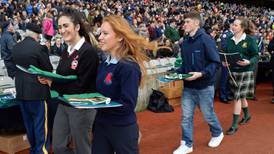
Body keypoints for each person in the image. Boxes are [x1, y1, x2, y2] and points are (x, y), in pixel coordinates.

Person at [92, 15, 156, 154]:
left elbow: (127, 105)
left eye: (105, 33)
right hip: (101, 125)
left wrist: (98, 103)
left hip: (122, 129)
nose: (100, 37)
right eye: (100, 33)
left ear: (120, 37)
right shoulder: (104, 63)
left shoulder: (129, 67)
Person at [38, 7, 99, 154]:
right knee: (58, 147)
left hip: (81, 107)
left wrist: (53, 83)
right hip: (64, 104)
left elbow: (81, 86)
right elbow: (61, 76)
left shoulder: (88, 51)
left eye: (66, 26)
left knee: (82, 148)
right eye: (59, 27)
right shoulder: (67, 51)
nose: (62, 30)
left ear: (77, 27)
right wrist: (49, 78)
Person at [173, 11, 224, 154]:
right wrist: (176, 72)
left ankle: (217, 133)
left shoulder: (206, 39)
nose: (184, 25)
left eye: (187, 22)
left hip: (204, 86)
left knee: (208, 114)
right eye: (184, 22)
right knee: (186, 116)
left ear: (196, 23)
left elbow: (215, 63)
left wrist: (201, 74)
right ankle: (187, 144)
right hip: (188, 87)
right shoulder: (185, 42)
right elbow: (185, 65)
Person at [12, 23, 53, 154]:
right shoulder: (39, 48)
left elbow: (11, 65)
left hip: (21, 92)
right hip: (37, 93)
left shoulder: (16, 47)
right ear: (37, 35)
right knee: (40, 127)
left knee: (29, 127)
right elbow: (48, 70)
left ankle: (34, 150)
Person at [223, 17, 259, 135]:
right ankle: (247, 115)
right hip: (233, 71)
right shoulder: (229, 39)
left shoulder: (249, 40)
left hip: (245, 71)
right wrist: (224, 61)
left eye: (236, 25)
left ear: (242, 27)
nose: (233, 26)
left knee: (237, 97)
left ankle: (234, 125)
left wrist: (249, 62)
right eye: (233, 24)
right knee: (241, 96)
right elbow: (226, 54)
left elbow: (255, 55)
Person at [218, 20, 234, 103]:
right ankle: (222, 96)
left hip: (231, 58)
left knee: (228, 78)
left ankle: (227, 94)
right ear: (231, 25)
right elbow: (223, 47)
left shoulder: (232, 34)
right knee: (224, 78)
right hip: (226, 58)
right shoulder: (226, 34)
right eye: (234, 24)